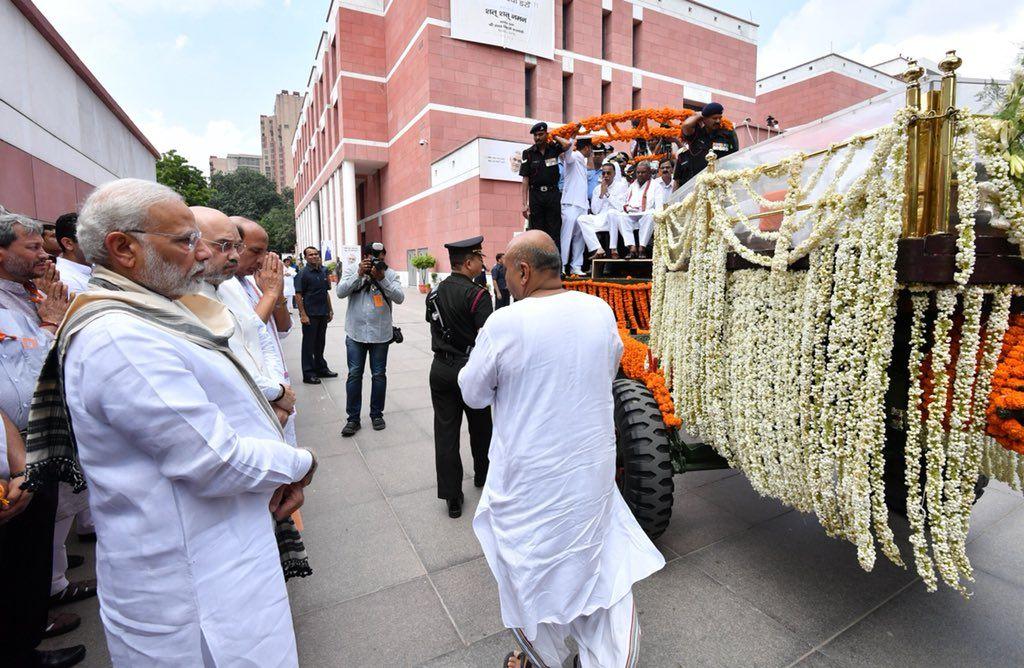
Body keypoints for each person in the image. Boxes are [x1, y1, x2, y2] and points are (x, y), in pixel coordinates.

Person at [21, 179, 318, 667]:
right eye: (186, 240)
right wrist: (299, 463)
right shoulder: (119, 337)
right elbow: (215, 458)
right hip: (195, 593)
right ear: (124, 248)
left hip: (221, 561)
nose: (202, 254)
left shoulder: (152, 313)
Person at [458, 231, 664, 668]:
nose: (505, 281)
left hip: (532, 480)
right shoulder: (599, 310)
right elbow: (607, 368)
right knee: (596, 564)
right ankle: (600, 656)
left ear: (524, 271)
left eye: (507, 272)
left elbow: (474, 394)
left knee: (535, 569)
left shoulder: (505, 323)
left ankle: (541, 654)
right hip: (589, 471)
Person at [0, 213, 86, 668]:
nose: (44, 252)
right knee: (16, 554)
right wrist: (52, 327)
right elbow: (35, 377)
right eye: (31, 247)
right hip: (15, 448)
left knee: (31, 546)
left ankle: (28, 630)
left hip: (34, 443)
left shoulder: (29, 297)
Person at [192, 208, 297, 430]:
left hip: (275, 388)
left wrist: (279, 387)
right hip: (251, 408)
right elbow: (235, 350)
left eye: (237, 247)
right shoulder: (199, 291)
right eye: (226, 246)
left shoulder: (243, 283)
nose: (235, 256)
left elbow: (267, 333)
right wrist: (276, 393)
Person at [50, 212, 99, 612]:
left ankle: (83, 531)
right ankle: (52, 583)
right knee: (60, 500)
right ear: (70, 242)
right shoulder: (64, 282)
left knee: (74, 494)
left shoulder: (84, 276)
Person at [426, 236, 493, 518]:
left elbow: (435, 326)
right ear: (468, 263)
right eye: (479, 257)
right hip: (471, 369)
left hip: (440, 369)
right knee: (481, 428)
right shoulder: (478, 295)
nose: (482, 262)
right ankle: (483, 476)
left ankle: (452, 497)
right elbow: (489, 338)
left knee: (446, 432)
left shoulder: (434, 293)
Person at [335, 241, 404, 436]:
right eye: (373, 258)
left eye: (381, 258)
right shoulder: (351, 270)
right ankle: (353, 419)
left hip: (380, 334)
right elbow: (340, 292)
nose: (377, 262)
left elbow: (399, 297)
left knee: (379, 374)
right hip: (355, 333)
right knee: (354, 374)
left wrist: (382, 279)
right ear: (364, 257)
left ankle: (376, 414)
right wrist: (358, 275)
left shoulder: (389, 273)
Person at [294, 245, 336, 384]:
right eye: (310, 255)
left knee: (320, 343)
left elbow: (326, 293)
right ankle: (308, 373)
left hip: (323, 312)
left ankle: (321, 369)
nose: (314, 256)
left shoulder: (324, 270)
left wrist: (330, 310)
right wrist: (303, 314)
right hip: (310, 314)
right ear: (305, 258)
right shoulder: (302, 273)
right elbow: (298, 295)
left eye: (315, 254)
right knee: (308, 345)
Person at [673, 101, 739, 189]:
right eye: (714, 118)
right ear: (704, 119)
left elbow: (735, 154)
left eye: (720, 117)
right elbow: (686, 125)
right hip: (698, 185)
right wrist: (698, 115)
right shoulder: (696, 134)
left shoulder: (727, 134)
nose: (718, 121)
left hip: (720, 184)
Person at [519, 122, 564, 248]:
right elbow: (525, 179)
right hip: (536, 196)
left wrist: (555, 137)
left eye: (540, 134)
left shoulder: (554, 148)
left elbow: (567, 145)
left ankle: (555, 263)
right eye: (535, 135)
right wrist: (524, 204)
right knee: (537, 232)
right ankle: (539, 263)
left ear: (546, 134)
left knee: (554, 230)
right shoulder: (528, 153)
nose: (537, 138)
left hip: (553, 194)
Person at [578, 161, 628, 259]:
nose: (606, 176)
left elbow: (620, 207)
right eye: (603, 173)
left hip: (615, 219)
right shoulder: (597, 188)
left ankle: (613, 249)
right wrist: (601, 194)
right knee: (581, 219)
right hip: (601, 218)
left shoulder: (621, 186)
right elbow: (595, 210)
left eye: (608, 173)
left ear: (614, 174)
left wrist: (607, 194)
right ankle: (598, 248)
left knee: (611, 212)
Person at [555, 136, 590, 276]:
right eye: (591, 149)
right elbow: (568, 151)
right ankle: (562, 266)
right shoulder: (573, 157)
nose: (591, 152)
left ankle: (576, 266)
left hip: (582, 205)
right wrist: (571, 136)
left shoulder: (583, 162)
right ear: (587, 148)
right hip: (570, 204)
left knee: (579, 238)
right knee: (566, 237)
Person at [612, 161, 657, 259]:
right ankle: (632, 247)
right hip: (631, 214)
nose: (640, 175)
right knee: (621, 216)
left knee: (651, 214)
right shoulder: (632, 186)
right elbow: (625, 201)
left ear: (649, 173)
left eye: (643, 172)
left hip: (646, 214)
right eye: (638, 172)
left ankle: (642, 248)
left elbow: (659, 206)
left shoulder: (656, 185)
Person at [54, 213, 93, 295]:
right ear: (68, 243)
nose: (100, 244)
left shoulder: (94, 268)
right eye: (91, 239)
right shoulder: (64, 279)